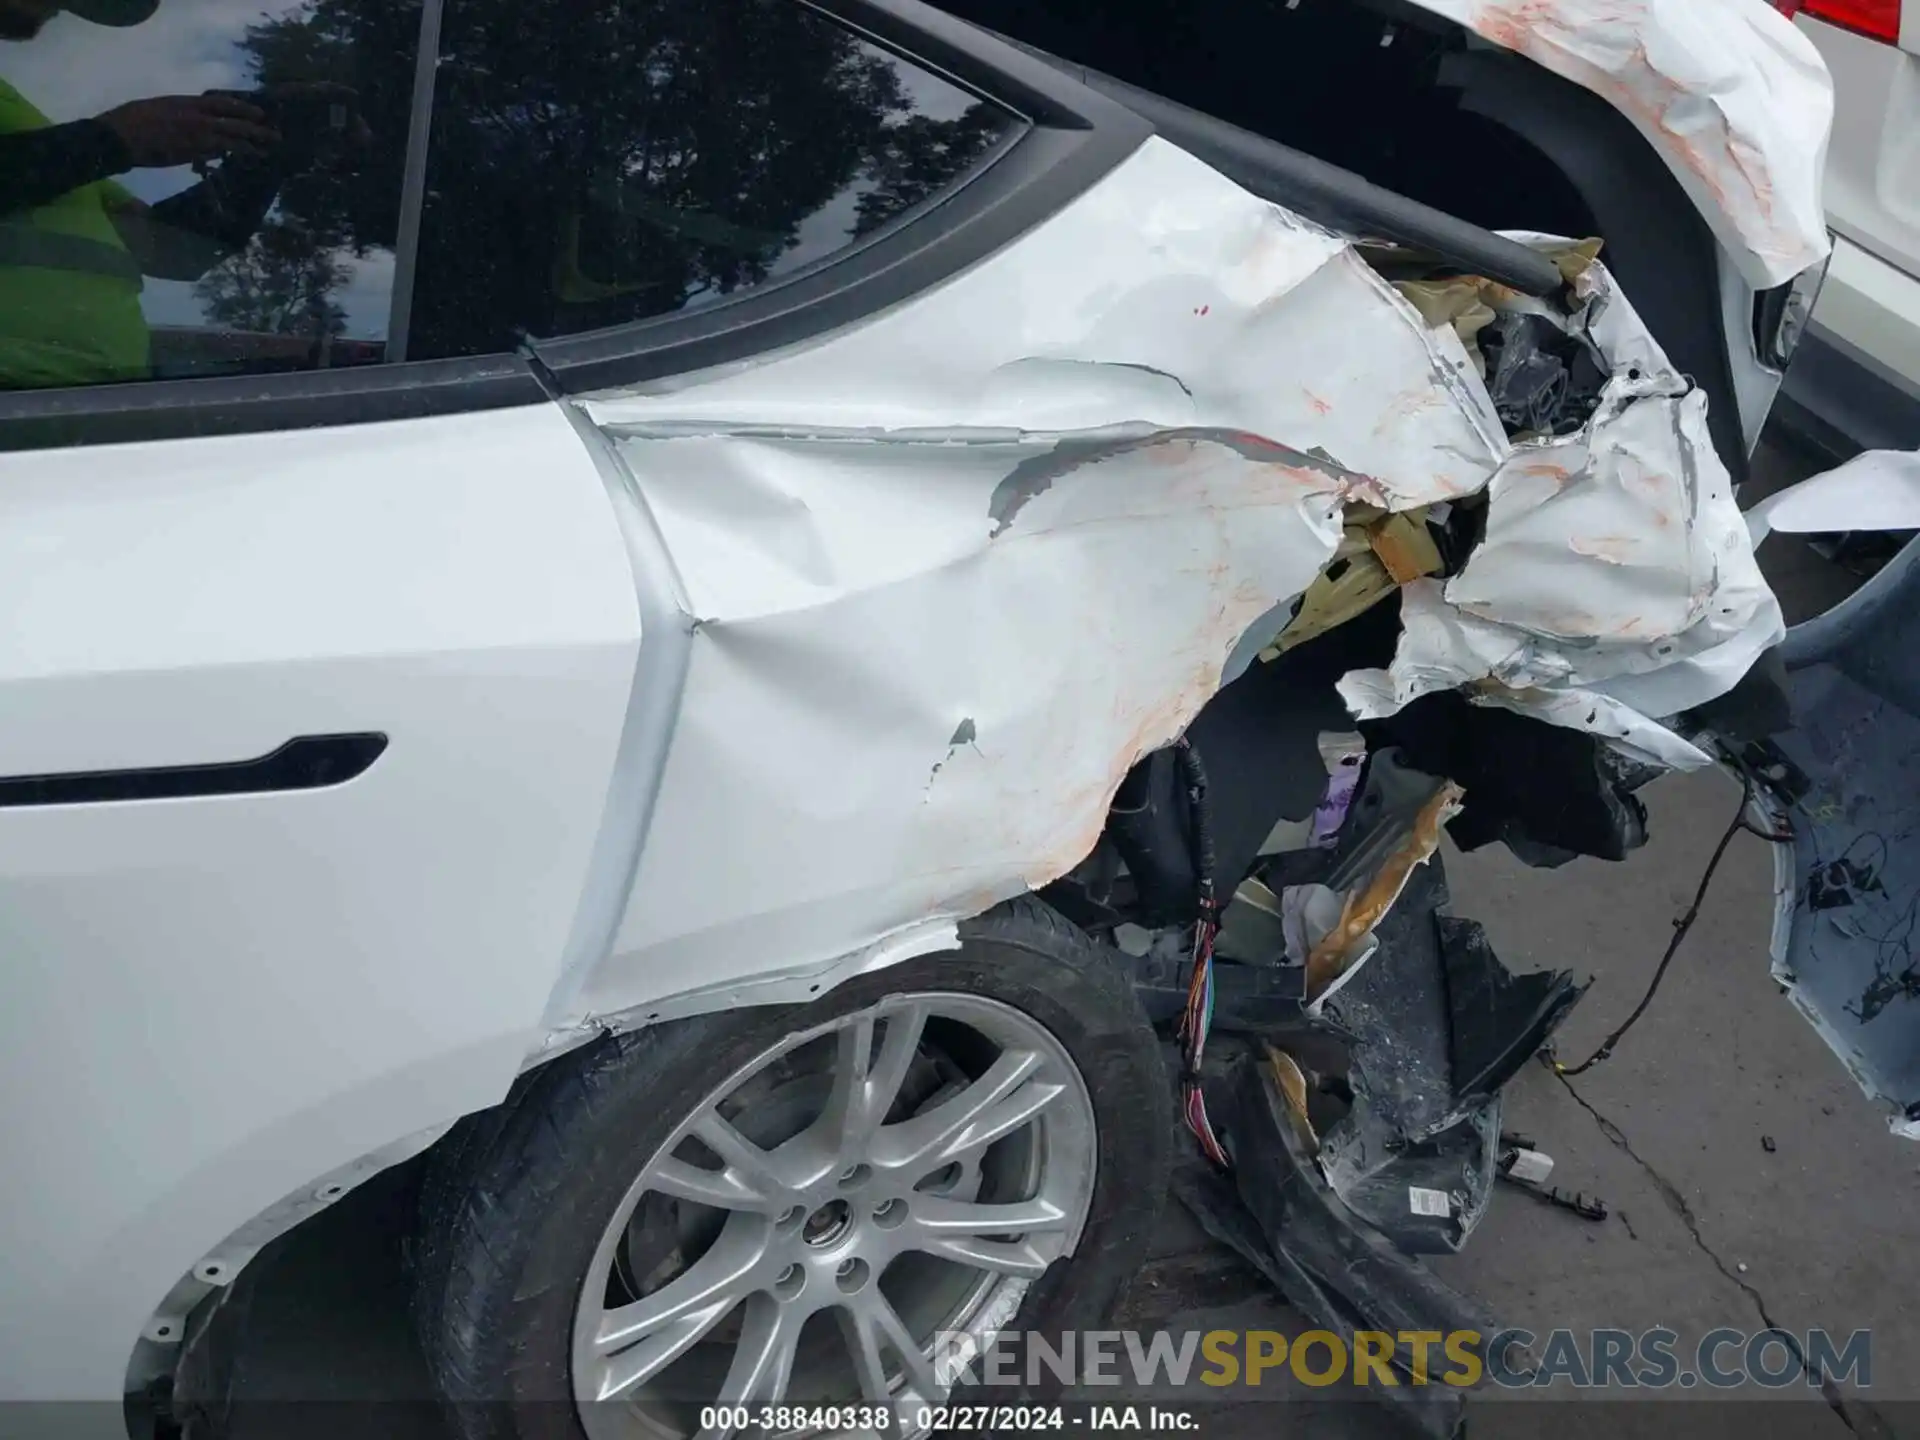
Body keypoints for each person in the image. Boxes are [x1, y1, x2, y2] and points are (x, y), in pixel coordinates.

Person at [0, 0, 292, 387]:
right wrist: (113, 140)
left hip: (100, 410)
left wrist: (271, 155)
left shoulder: (23, 118)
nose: (55, 11)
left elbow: (172, 252)